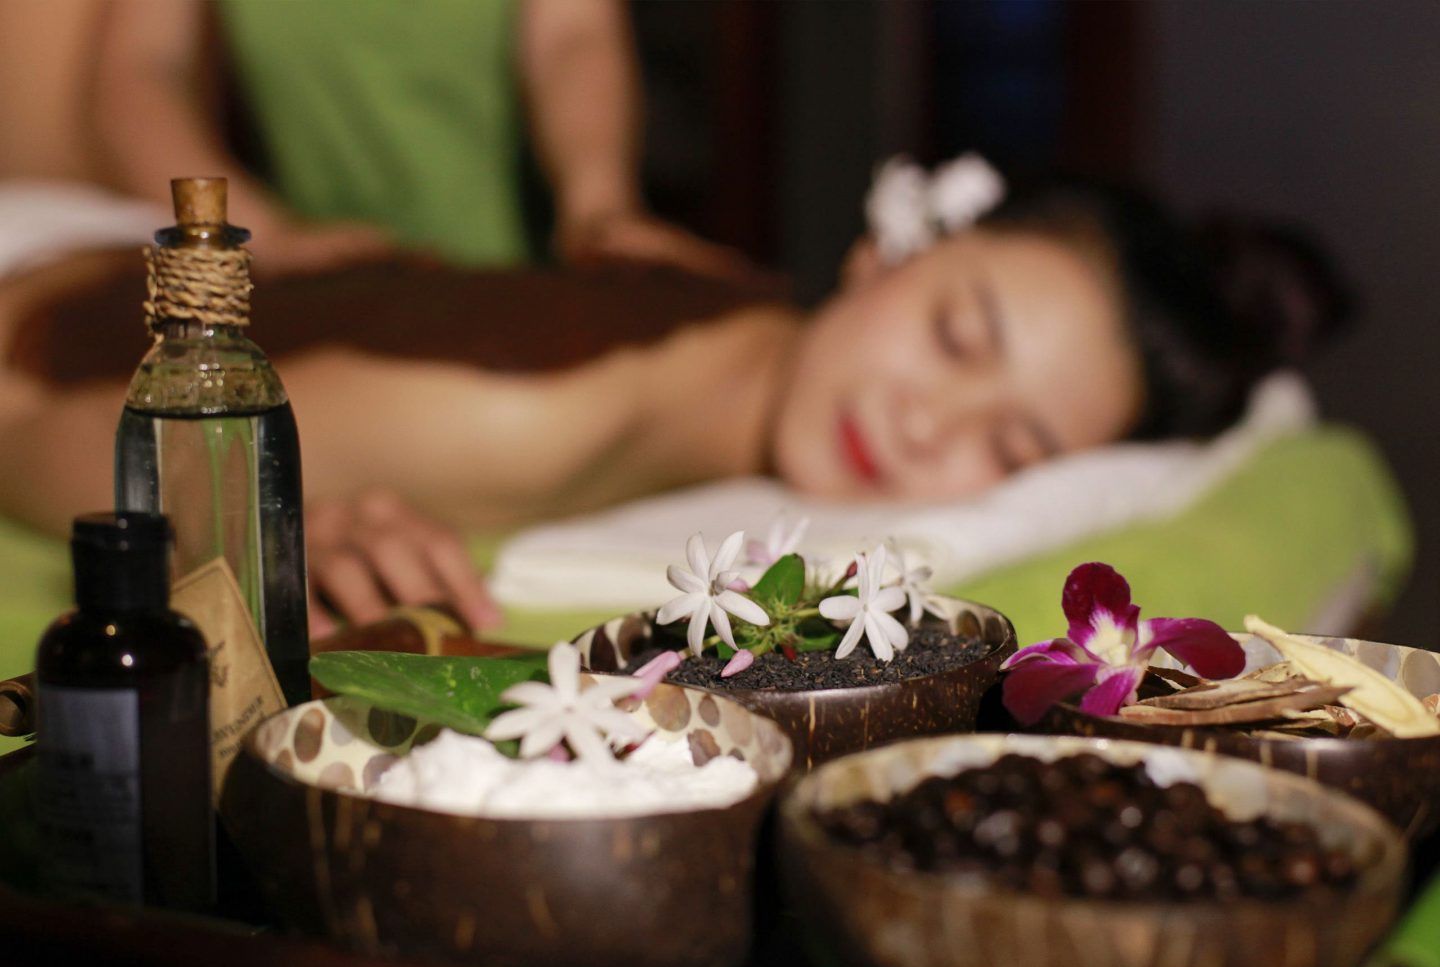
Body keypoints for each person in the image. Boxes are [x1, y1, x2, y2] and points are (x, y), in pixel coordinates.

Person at [0, 177, 1347, 635]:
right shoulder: (526, 417)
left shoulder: (742, 308)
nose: (934, 427)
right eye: (955, 333)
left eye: (1017, 445)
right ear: (886, 248)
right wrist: (265, 528)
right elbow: (39, 435)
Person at [87, 0, 752, 277]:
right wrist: (260, 234)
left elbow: (572, 35)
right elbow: (138, 75)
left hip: (515, 279)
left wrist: (599, 206)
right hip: (301, 284)